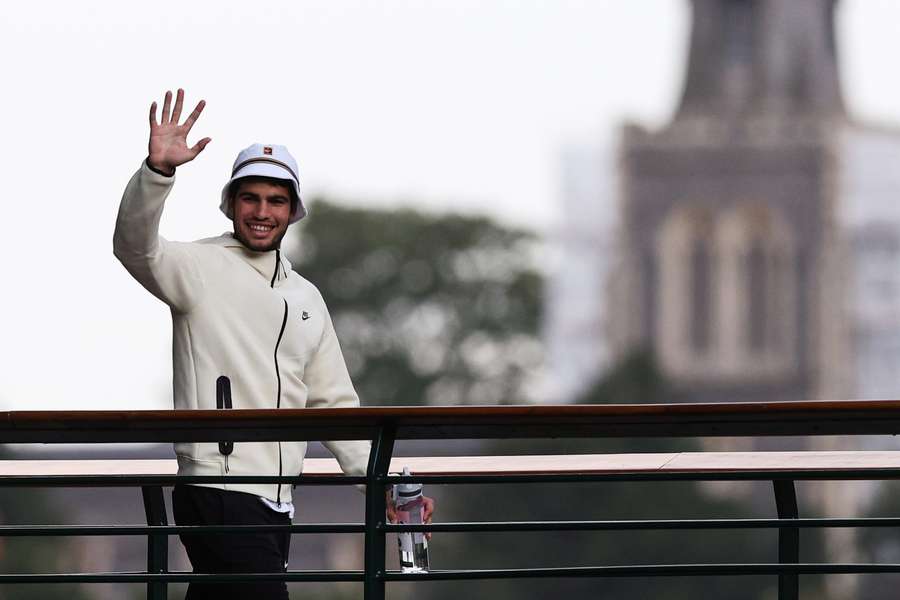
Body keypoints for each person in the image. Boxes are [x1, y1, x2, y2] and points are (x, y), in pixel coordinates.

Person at [114, 89, 433, 599]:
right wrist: (158, 173)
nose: (262, 212)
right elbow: (133, 247)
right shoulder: (199, 266)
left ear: (292, 210)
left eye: (276, 201)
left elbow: (334, 404)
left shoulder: (305, 295)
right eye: (251, 198)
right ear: (232, 204)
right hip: (217, 487)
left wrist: (387, 483)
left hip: (278, 499)